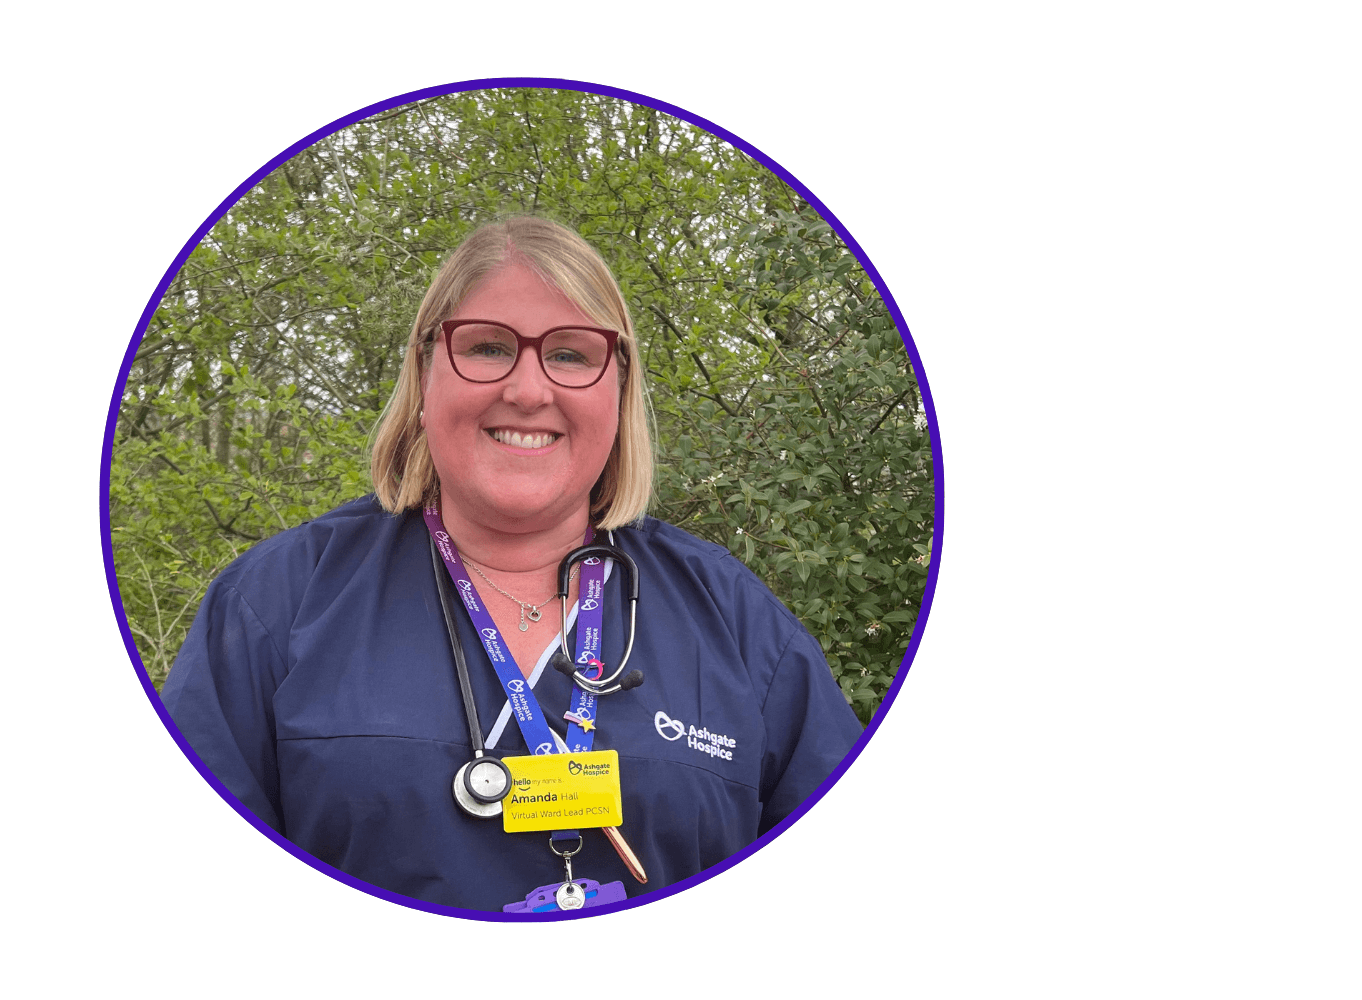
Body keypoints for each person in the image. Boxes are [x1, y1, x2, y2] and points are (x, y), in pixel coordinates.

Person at [160, 216, 861, 912]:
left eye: (571, 354)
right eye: (489, 347)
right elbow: (191, 896)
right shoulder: (274, 607)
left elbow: (843, 893)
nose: (528, 390)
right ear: (425, 369)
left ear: (617, 387)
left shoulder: (737, 623)